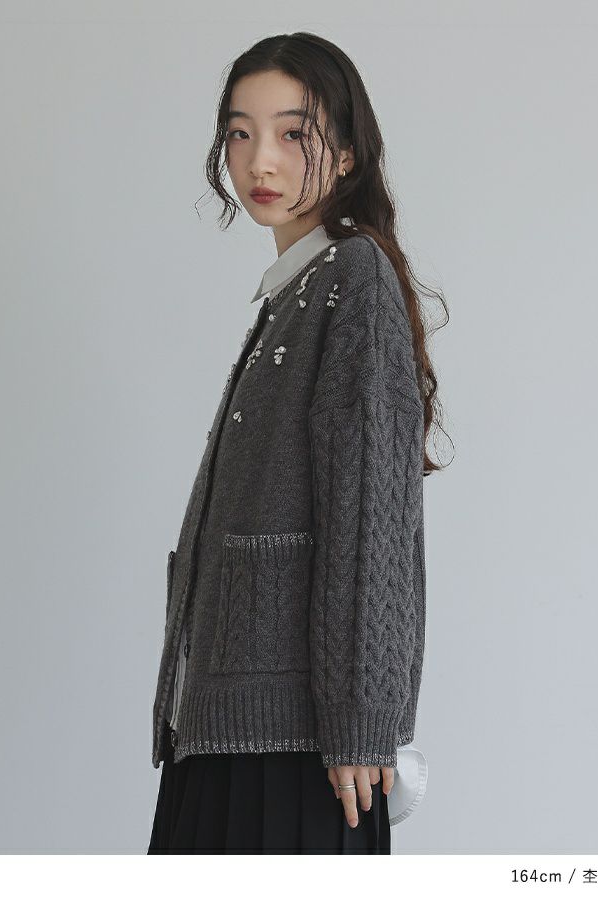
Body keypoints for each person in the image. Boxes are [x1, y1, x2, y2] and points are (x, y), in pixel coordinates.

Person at [148, 30, 448, 854]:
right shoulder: (296, 291)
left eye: (293, 133)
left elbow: (371, 522)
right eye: (239, 133)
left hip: (301, 750)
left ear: (346, 153)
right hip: (228, 730)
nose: (261, 161)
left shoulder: (353, 279)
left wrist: (361, 725)